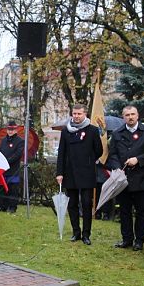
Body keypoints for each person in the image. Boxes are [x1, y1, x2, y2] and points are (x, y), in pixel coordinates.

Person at [108, 105, 144, 251]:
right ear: (123, 117)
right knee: (124, 210)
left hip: (141, 178)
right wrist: (117, 167)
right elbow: (112, 154)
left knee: (141, 211)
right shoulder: (117, 133)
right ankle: (127, 239)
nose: (130, 117)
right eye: (127, 115)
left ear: (137, 116)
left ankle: (139, 240)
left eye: (133, 114)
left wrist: (138, 159)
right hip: (123, 179)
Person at [55, 104, 103, 245]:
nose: (76, 116)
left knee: (87, 203)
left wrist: (88, 159)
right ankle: (76, 232)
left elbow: (99, 150)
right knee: (72, 204)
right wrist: (60, 173)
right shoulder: (66, 131)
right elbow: (61, 154)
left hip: (87, 172)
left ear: (85, 114)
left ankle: (86, 234)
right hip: (70, 173)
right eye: (74, 113)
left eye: (79, 114)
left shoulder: (93, 130)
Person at [0, 120, 24, 212]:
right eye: (9, 129)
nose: (10, 131)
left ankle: (12, 207)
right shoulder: (3, 140)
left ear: (16, 130)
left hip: (13, 170)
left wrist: (7, 161)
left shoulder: (20, 141)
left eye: (12, 129)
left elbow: (17, 154)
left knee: (12, 189)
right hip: (3, 170)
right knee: (2, 189)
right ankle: (2, 206)